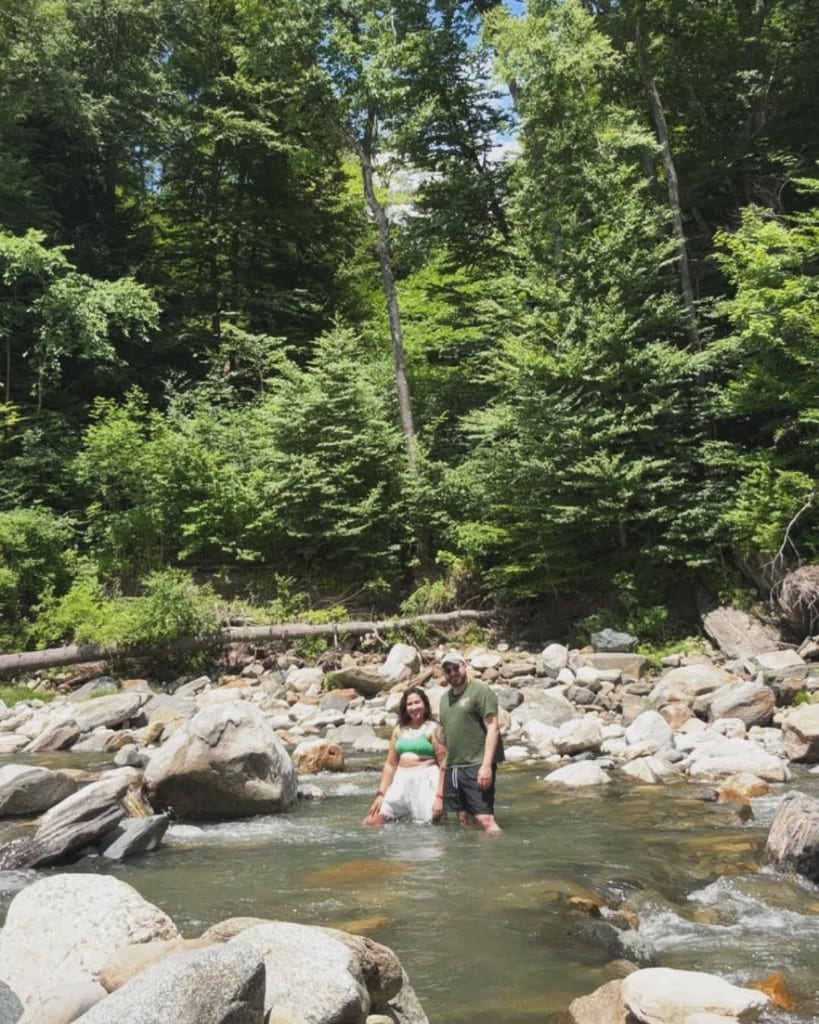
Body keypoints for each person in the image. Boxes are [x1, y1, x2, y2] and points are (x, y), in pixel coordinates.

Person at [438, 650, 504, 834]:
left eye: (455, 668)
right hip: (454, 767)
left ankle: (500, 855)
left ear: (464, 667)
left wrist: (486, 766)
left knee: (485, 819)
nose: (453, 673)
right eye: (448, 670)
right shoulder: (444, 699)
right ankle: (476, 860)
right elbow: (445, 735)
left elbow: (493, 727)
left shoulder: (480, 690)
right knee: (464, 819)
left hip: (476, 764)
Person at [362, 686, 446, 827]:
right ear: (405, 707)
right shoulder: (399, 730)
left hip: (426, 780)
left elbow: (444, 763)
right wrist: (381, 794)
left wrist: (440, 796)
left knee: (428, 829)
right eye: (410, 704)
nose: (414, 707)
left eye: (417, 702)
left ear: (424, 704)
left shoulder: (434, 728)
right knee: (371, 821)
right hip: (401, 781)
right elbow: (390, 764)